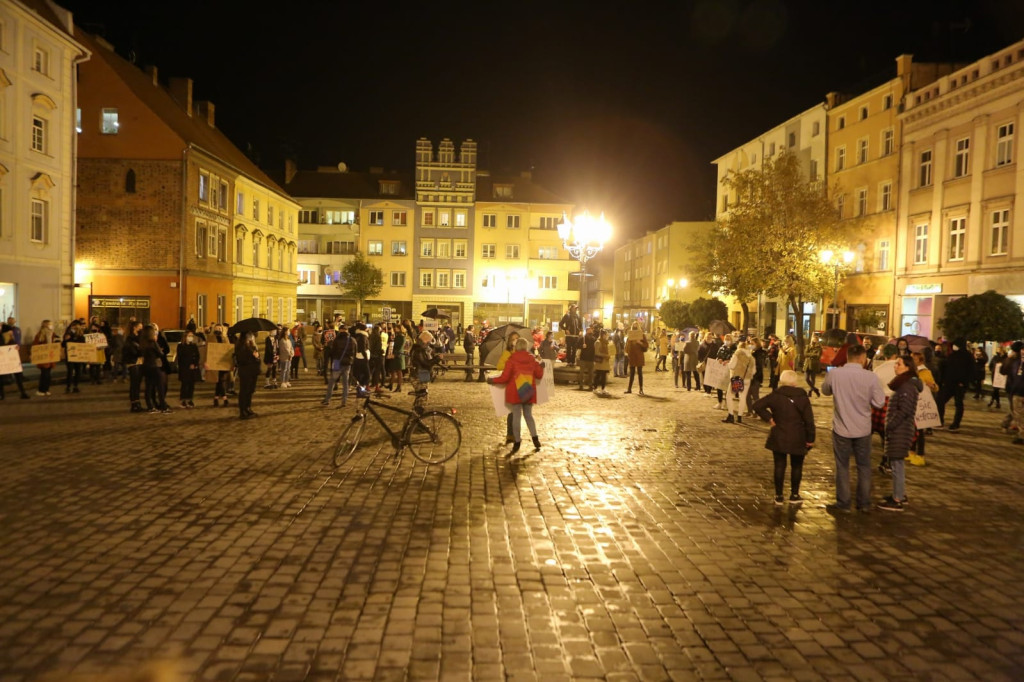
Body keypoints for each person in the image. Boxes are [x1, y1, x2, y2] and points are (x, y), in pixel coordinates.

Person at [821, 344, 886, 513]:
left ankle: (843, 503)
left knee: (842, 466)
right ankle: (863, 503)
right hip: (863, 428)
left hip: (841, 427)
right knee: (863, 466)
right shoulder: (871, 377)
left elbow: (825, 391)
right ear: (863, 359)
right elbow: (879, 402)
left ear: (848, 357)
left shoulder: (834, 373)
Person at [752, 369, 815, 505]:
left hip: (779, 434)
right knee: (797, 466)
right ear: (795, 382)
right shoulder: (802, 397)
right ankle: (794, 494)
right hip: (798, 435)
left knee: (779, 465)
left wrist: (769, 418)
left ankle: (779, 496)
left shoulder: (775, 395)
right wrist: (810, 439)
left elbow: (757, 405)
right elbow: (809, 421)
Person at [878, 356, 922, 512]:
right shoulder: (904, 384)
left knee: (897, 465)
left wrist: (890, 425)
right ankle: (899, 494)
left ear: (907, 367)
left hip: (900, 430)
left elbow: (904, 410)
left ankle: (897, 499)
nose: (895, 366)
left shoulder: (907, 387)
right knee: (897, 464)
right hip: (899, 429)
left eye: (899, 364)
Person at [489, 337, 544, 455]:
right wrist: (541, 365)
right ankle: (535, 439)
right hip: (528, 391)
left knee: (516, 416)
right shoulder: (532, 360)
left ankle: (517, 441)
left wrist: (493, 380)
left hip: (515, 392)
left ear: (516, 347)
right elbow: (539, 375)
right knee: (529, 416)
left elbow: (505, 377)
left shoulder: (511, 360)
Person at [936, 337, 972, 432]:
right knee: (940, 400)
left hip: (960, 385)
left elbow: (970, 371)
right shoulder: (952, 355)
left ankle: (956, 424)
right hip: (949, 384)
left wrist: (964, 382)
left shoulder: (968, 356)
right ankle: (939, 421)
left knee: (958, 404)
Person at [322, 325, 355, 407]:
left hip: (337, 362)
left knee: (332, 381)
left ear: (341, 330)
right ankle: (344, 401)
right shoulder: (352, 340)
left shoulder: (337, 340)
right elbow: (354, 352)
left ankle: (327, 399)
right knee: (345, 383)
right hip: (347, 363)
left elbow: (333, 352)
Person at [724, 339, 755, 424]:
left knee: (729, 396)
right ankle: (740, 417)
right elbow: (754, 371)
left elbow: (732, 366)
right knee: (743, 397)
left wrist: (728, 364)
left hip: (738, 378)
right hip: (747, 379)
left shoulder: (737, 354)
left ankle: (731, 415)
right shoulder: (751, 357)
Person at [141, 326, 171, 414]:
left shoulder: (143, 342)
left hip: (146, 366)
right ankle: (163, 407)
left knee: (149, 387)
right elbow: (160, 353)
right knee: (160, 387)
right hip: (155, 366)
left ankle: (150, 406)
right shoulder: (153, 342)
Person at [236, 332, 261, 419]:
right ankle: (242, 410)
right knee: (244, 391)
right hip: (245, 372)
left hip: (253, 371)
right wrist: (253, 355)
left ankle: (248, 408)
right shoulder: (240, 346)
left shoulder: (252, 346)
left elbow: (257, 357)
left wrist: (257, 356)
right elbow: (241, 360)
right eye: (250, 335)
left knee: (250, 391)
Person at [32, 320, 57, 397]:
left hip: (50, 357)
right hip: (43, 358)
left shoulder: (52, 334)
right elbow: (35, 345)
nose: (50, 326)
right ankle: (41, 389)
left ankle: (46, 389)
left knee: (48, 375)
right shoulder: (40, 335)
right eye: (49, 325)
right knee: (44, 374)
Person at [176, 330, 201, 408]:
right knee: (185, 385)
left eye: (192, 336)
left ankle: (190, 399)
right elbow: (180, 358)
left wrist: (195, 364)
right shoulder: (180, 346)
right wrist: (188, 365)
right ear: (185, 337)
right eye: (189, 336)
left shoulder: (194, 346)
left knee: (191, 385)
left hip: (193, 368)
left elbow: (197, 356)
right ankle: (183, 400)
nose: (191, 337)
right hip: (184, 368)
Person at [123, 321, 143, 412]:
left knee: (138, 384)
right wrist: (140, 351)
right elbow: (132, 351)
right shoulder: (130, 339)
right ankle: (134, 403)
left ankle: (137, 402)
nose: (141, 329)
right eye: (140, 327)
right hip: (133, 362)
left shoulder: (138, 338)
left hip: (139, 362)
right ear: (135, 327)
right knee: (134, 384)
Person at [624, 322, 648, 395]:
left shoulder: (642, 335)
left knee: (640, 373)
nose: (635, 327)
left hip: (639, 356)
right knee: (632, 374)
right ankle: (629, 389)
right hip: (632, 357)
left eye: (636, 326)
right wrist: (627, 352)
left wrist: (639, 343)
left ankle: (641, 389)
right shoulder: (630, 336)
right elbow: (627, 347)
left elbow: (646, 346)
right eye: (633, 326)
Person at [577, 326, 597, 390]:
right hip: (583, 357)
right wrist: (582, 346)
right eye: (589, 330)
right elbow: (577, 346)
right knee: (581, 372)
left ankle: (590, 385)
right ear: (587, 331)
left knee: (591, 373)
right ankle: (581, 385)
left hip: (591, 358)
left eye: (591, 330)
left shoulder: (594, 339)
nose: (591, 331)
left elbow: (595, 348)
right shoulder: (582, 339)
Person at [988, 345, 1007, 409]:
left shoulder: (1005, 357)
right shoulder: (995, 357)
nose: (998, 350)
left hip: (1001, 376)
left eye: (999, 349)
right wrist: (992, 370)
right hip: (994, 375)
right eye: (997, 349)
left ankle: (992, 400)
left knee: (996, 389)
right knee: (995, 389)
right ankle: (997, 403)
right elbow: (991, 365)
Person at [593, 329, 611, 395]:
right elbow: (597, 352)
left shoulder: (606, 342)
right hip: (600, 362)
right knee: (598, 375)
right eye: (606, 334)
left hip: (605, 362)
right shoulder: (598, 342)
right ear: (603, 335)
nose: (607, 336)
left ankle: (603, 389)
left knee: (604, 376)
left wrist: (608, 355)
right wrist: (605, 355)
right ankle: (595, 388)